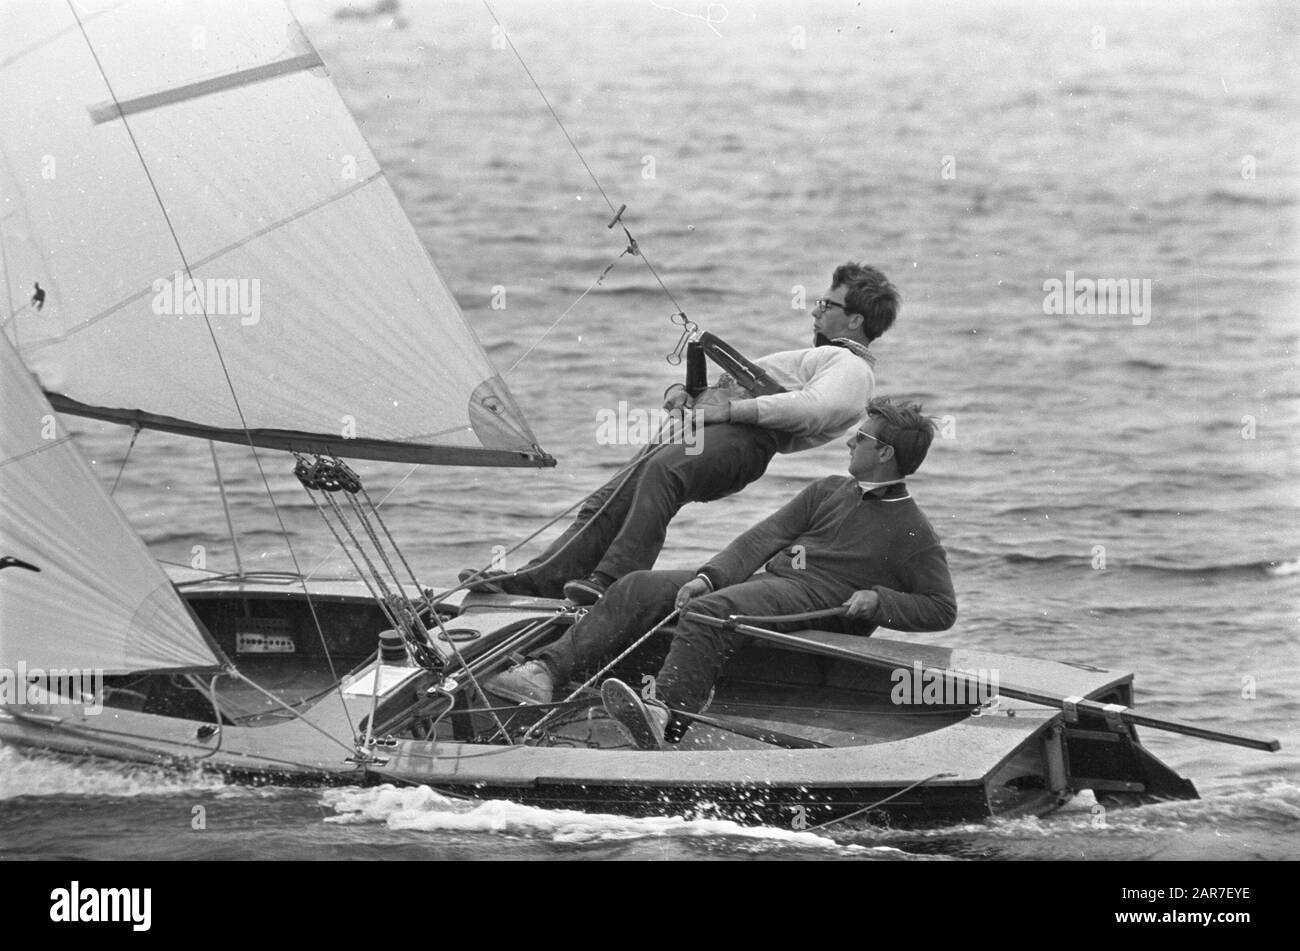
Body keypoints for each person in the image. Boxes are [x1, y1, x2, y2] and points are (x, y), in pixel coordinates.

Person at [486, 396, 957, 750]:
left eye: (862, 438)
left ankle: (665, 714)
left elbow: (941, 609)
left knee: (713, 613)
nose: (850, 441)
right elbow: (760, 539)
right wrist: (709, 576)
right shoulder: (829, 489)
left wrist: (879, 601)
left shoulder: (913, 531)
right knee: (637, 587)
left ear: (885, 455)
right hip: (770, 586)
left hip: (820, 604)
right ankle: (545, 671)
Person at [462, 262, 900, 605]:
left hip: (741, 441)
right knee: (606, 500)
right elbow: (747, 396)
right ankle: (536, 581)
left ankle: (612, 580)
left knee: (663, 475)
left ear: (856, 320)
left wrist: (727, 408)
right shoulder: (819, 358)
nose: (815, 310)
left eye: (827, 306)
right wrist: (688, 396)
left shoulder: (852, 369)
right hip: (717, 430)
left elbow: (813, 409)